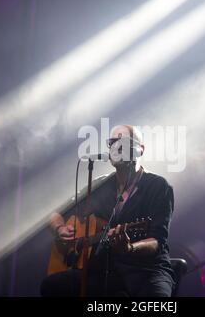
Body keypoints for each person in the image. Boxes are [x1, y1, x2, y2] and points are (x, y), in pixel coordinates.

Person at [40, 125, 175, 297]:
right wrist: (60, 229)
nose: (117, 146)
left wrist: (130, 248)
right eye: (112, 142)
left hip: (147, 271)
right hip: (106, 270)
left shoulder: (158, 187)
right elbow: (55, 214)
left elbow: (157, 240)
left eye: (124, 141)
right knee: (52, 286)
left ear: (140, 150)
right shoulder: (101, 187)